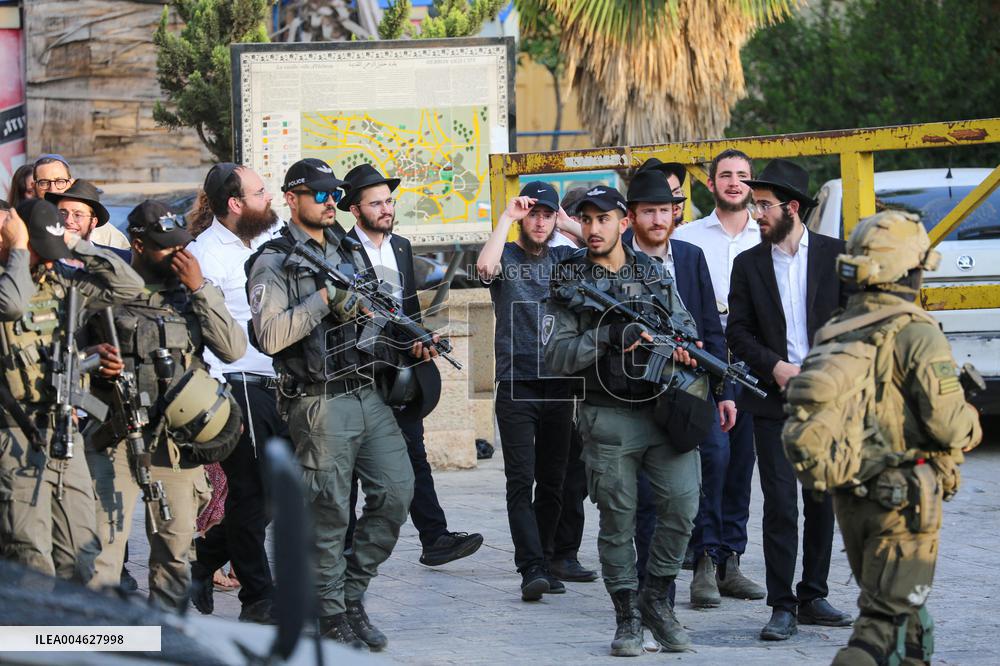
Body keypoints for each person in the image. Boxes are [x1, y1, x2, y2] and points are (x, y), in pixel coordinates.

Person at [794, 211, 981, 666]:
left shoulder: (836, 327)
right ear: (909, 268)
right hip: (904, 504)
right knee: (880, 624)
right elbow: (948, 426)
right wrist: (972, 419)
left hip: (851, 499)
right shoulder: (916, 332)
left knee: (907, 622)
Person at [247, 158, 416, 651]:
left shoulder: (347, 247)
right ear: (292, 198)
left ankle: (350, 594)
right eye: (318, 194)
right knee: (328, 515)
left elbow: (374, 313)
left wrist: (407, 340)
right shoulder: (273, 260)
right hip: (319, 403)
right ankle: (331, 613)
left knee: (397, 493)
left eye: (333, 194)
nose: (328, 202)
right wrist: (324, 297)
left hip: (367, 390)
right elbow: (271, 335)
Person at [544, 185, 703, 655]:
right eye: (586, 219)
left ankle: (656, 598)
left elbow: (688, 328)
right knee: (617, 520)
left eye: (603, 219)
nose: (593, 228)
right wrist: (613, 335)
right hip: (607, 415)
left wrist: (679, 348)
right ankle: (627, 617)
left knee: (682, 507)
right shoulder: (568, 279)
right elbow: (555, 355)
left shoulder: (652, 272)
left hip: (663, 411)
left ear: (623, 221)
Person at [86, 199, 245, 611]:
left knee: (174, 551)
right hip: (115, 436)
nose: (177, 254)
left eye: (181, 244)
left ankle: (166, 642)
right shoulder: (103, 290)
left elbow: (232, 348)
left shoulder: (194, 290)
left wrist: (199, 288)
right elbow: (70, 361)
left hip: (175, 445)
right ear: (137, 244)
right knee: (101, 553)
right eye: (165, 246)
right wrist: (97, 366)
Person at [726, 158, 853, 640]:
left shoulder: (835, 256)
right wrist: (774, 366)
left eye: (763, 205)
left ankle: (812, 595)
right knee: (780, 503)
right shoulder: (748, 264)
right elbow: (737, 331)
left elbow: (855, 322)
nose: (755, 213)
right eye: (754, 204)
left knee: (821, 500)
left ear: (792, 208)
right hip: (772, 400)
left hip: (825, 400)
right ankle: (781, 605)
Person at [339, 163, 483, 567]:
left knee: (414, 452)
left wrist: (422, 341)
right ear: (355, 209)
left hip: (397, 373)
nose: (386, 209)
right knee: (349, 462)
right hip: (354, 371)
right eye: (377, 203)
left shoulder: (400, 246)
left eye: (389, 201)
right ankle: (346, 545)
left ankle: (435, 538)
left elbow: (406, 312)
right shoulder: (340, 251)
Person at [0, 199, 144, 582]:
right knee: (29, 553)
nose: (47, 261)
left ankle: (77, 638)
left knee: (83, 551)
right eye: (38, 251)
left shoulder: (61, 278)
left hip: (64, 426)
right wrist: (16, 249)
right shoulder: (7, 280)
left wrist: (74, 244)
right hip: (14, 433)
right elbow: (12, 306)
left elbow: (128, 285)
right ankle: (31, 639)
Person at [624, 167, 739, 610]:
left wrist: (724, 390)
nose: (657, 220)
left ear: (676, 214)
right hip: (637, 392)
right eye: (648, 211)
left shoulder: (690, 257)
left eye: (664, 211)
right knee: (648, 494)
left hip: (692, 388)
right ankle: (651, 588)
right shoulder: (615, 262)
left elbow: (711, 327)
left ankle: (706, 559)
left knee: (715, 458)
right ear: (632, 216)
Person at [188, 162, 286, 624]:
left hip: (285, 380)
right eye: (261, 192)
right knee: (253, 491)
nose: (270, 198)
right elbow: (204, 328)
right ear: (235, 203)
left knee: (273, 492)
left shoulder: (276, 235)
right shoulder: (204, 253)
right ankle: (258, 597)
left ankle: (205, 559)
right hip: (236, 384)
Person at [475, 181, 581, 601]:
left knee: (553, 480)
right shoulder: (508, 256)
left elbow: (608, 247)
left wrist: (565, 220)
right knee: (521, 478)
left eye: (545, 215)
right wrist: (506, 218)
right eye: (532, 213)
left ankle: (548, 557)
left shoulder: (566, 258)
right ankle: (531, 567)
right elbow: (484, 268)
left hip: (559, 382)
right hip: (517, 383)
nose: (538, 222)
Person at [672, 149, 766, 603]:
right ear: (710, 185)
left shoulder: (764, 236)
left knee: (741, 465)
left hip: (751, 361)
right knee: (712, 458)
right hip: (700, 359)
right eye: (725, 175)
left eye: (742, 176)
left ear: (751, 185)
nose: (733, 183)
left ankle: (731, 558)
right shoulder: (688, 238)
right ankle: (702, 558)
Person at [548, 187, 598, 584]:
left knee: (574, 472)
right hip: (553, 378)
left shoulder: (586, 254)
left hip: (585, 378)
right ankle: (550, 553)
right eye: (587, 218)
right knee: (558, 471)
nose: (594, 227)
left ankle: (565, 552)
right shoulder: (555, 254)